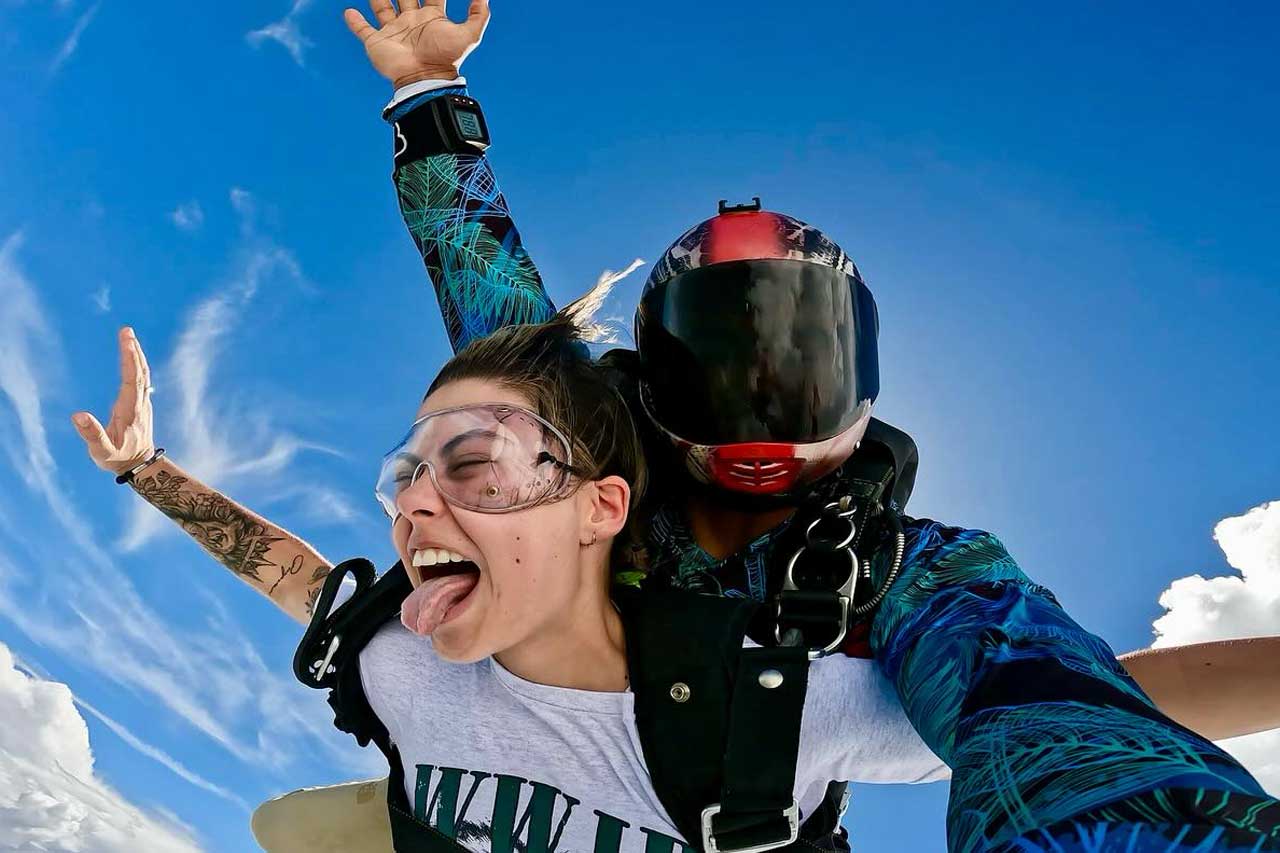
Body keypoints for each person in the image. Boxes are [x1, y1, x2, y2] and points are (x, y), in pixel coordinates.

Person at [81, 310, 955, 853]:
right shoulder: (403, 659)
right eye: (407, 476)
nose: (416, 505)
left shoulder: (777, 710)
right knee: (283, 824)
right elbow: (295, 575)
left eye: (475, 468)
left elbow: (1056, 711)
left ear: (600, 508)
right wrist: (144, 470)